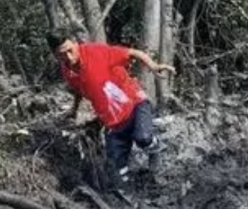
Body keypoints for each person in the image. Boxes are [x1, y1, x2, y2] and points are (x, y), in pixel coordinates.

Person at [47, 27, 174, 194]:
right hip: (113, 123)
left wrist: (153, 65)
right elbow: (78, 90)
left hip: (135, 104)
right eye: (61, 55)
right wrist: (74, 110)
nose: (68, 58)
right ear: (55, 55)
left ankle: (155, 148)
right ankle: (131, 196)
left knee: (143, 138)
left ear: (76, 44)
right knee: (115, 170)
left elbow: (132, 52)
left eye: (70, 51)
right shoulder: (67, 71)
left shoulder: (96, 52)